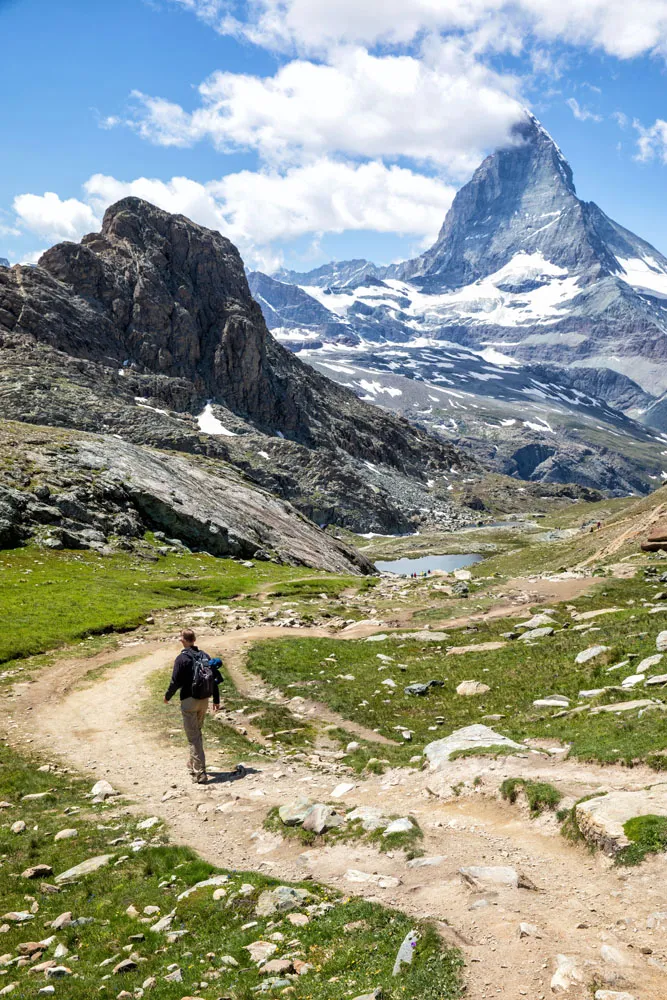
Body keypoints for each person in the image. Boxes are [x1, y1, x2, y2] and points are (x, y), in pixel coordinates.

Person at [163, 628, 223, 784]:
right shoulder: (205, 656)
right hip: (204, 700)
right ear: (194, 640)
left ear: (182, 640)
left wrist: (167, 696)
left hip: (189, 701)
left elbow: (175, 682)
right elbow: (213, 679)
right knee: (196, 732)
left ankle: (200, 773)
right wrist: (216, 700)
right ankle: (192, 765)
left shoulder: (182, 659)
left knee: (193, 737)